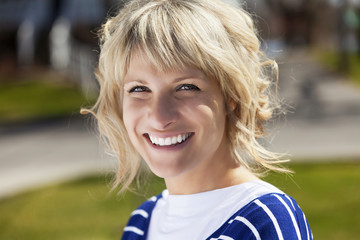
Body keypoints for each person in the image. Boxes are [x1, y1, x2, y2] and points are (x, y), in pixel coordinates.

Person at [82, 0, 313, 239]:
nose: (160, 118)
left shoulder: (265, 222)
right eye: (139, 89)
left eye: (186, 87)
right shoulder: (141, 223)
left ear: (231, 94)